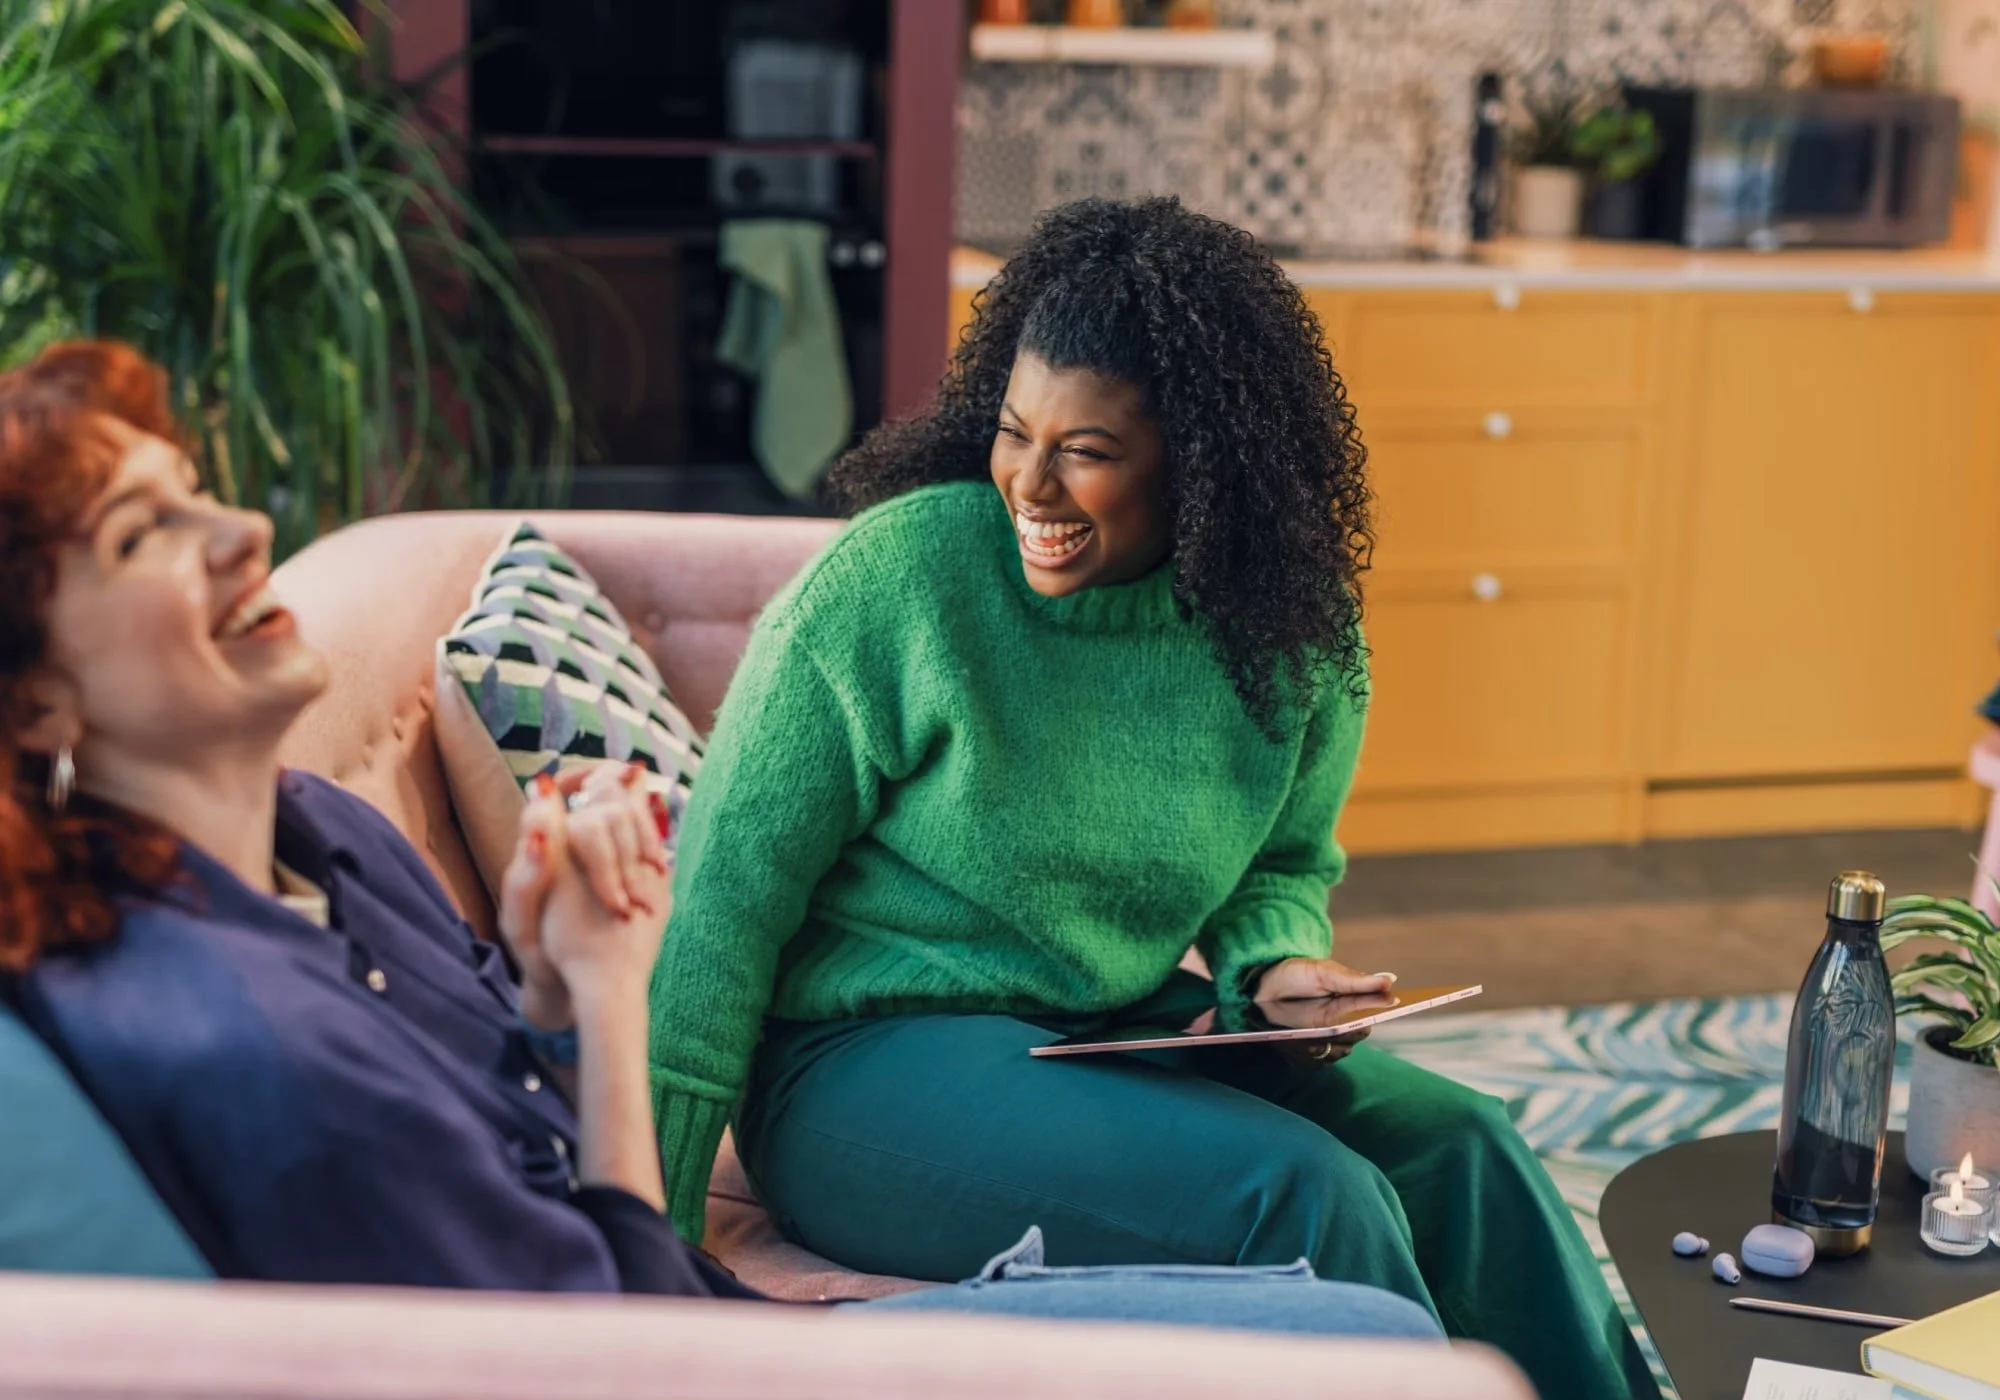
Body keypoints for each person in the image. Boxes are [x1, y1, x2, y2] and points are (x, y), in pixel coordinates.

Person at [0, 337, 1441, 1345]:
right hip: (728, 1386)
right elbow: (604, 1348)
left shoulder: (320, 839)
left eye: (203, 488)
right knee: (1349, 1310)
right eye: (146, 533)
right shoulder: (226, 1032)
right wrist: (621, 1002)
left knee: (1429, 1197)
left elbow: (533, 1116)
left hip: (738, 1309)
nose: (245, 527)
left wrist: (564, 986)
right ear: (34, 694)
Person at [649, 198, 1691, 1400]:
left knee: (1467, 1152)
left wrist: (1277, 965)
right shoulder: (898, 585)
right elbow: (719, 909)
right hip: (860, 1071)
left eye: (1084, 451)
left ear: (1200, 463)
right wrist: (651, 1245)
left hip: (1127, 1031)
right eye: (1013, 434)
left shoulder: (1287, 631)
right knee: (1312, 1200)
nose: (1028, 485)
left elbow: (1280, 862)